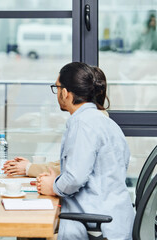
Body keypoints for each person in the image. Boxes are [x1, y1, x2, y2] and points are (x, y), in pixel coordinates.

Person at [37, 62, 134, 239]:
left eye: (56, 88)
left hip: (95, 226)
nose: (56, 93)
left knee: (33, 233)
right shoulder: (106, 122)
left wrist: (53, 186)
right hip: (115, 220)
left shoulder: (83, 124)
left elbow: (75, 178)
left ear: (65, 93)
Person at [3, 66, 109, 177]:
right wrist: (30, 167)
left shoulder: (86, 124)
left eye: (57, 87)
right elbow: (68, 163)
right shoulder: (95, 119)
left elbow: (71, 172)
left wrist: (30, 169)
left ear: (65, 92)